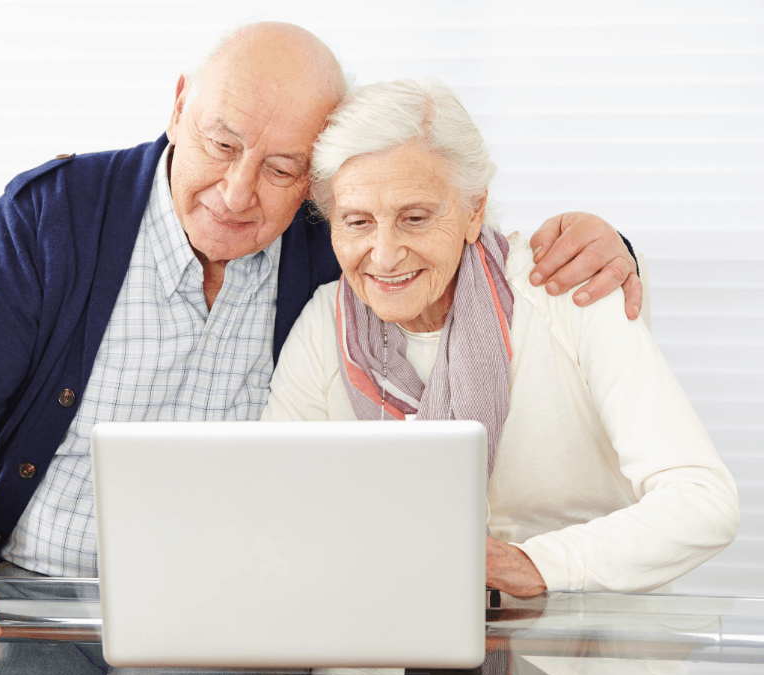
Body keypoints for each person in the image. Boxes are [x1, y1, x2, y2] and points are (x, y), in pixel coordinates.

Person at [0, 23, 644, 670]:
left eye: (281, 169)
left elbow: (447, 242)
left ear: (319, 182)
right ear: (178, 105)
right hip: (34, 601)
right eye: (222, 144)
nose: (237, 194)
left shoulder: (330, 245)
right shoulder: (52, 219)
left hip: (241, 618)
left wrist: (605, 247)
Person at [262, 77, 739, 600]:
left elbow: (703, 502)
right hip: (392, 659)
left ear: (473, 210)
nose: (384, 254)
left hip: (586, 659)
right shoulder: (322, 325)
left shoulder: (567, 288)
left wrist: (535, 565)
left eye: (415, 218)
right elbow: (279, 514)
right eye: (357, 222)